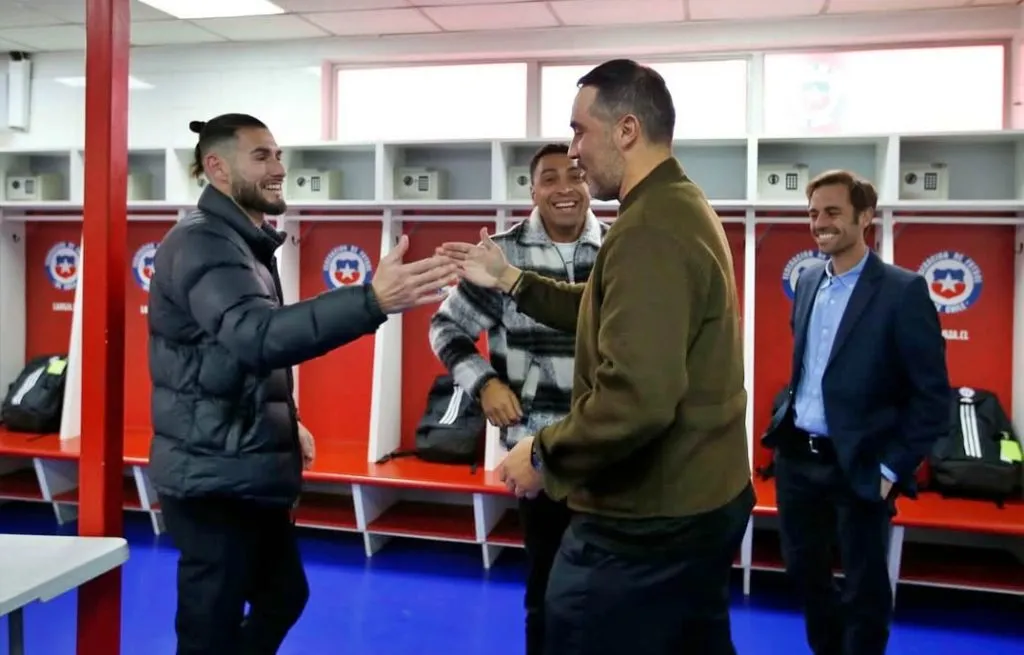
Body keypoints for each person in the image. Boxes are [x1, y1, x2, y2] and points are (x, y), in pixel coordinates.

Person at [439, 59, 754, 655]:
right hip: (698, 497)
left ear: (627, 130)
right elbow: (600, 306)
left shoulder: (648, 230)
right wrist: (513, 280)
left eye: (581, 131)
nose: (575, 153)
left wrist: (546, 452)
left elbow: (637, 399)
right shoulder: (672, 207)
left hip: (649, 517)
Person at [147, 113, 456, 655]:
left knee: (282, 594)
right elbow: (257, 336)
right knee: (209, 628)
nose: (279, 168)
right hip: (212, 475)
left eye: (278, 155)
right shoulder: (204, 244)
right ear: (217, 168)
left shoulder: (241, 242)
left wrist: (286, 421)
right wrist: (370, 300)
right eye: (262, 156)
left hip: (240, 460)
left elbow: (229, 353)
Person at [761, 169, 950, 655]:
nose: (819, 223)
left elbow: (931, 398)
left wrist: (891, 468)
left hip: (862, 466)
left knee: (865, 589)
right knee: (806, 576)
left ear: (865, 217)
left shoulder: (902, 291)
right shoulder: (805, 280)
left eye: (832, 213)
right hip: (798, 462)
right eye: (812, 213)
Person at [428, 142, 606, 655]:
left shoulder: (619, 250)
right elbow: (446, 329)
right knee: (548, 588)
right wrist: (484, 383)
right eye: (550, 178)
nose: (565, 188)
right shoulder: (500, 257)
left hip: (607, 447)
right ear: (533, 190)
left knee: (607, 590)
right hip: (537, 450)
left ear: (590, 182)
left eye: (575, 175)